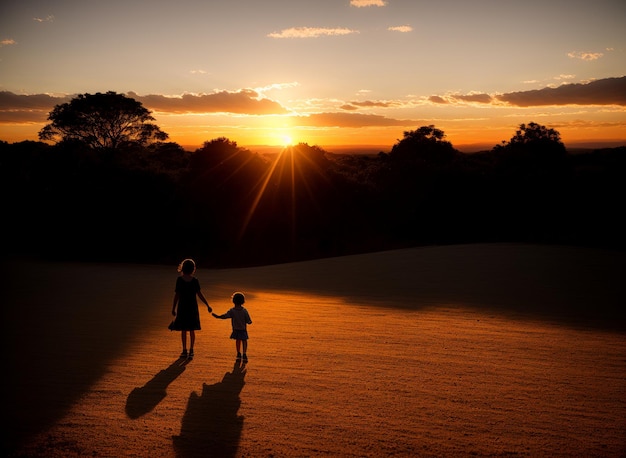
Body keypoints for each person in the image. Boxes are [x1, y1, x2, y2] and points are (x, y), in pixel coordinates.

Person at [171, 258, 212, 359]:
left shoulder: (179, 280)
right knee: (192, 330)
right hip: (192, 307)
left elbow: (177, 295)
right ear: (193, 269)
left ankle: (184, 350)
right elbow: (199, 294)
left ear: (183, 268)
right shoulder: (195, 281)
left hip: (182, 307)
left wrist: (173, 308)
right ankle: (191, 350)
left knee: (184, 330)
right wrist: (207, 305)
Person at [212, 292, 252, 362]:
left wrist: (218, 316)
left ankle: (238, 353)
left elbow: (225, 316)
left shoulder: (232, 311)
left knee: (238, 340)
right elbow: (248, 320)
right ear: (243, 301)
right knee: (244, 340)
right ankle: (244, 354)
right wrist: (249, 321)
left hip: (236, 329)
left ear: (233, 301)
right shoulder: (244, 311)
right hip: (243, 329)